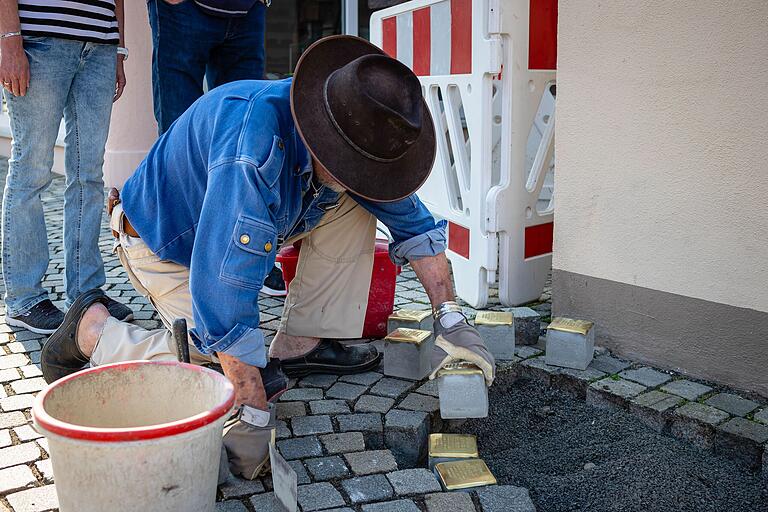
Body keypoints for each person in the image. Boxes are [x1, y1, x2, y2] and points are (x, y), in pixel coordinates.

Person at [42, 35, 495, 480]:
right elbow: (220, 296)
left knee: (358, 202)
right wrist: (252, 411)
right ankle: (94, 332)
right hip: (166, 246)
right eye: (359, 169)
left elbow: (415, 225)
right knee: (211, 358)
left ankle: (300, 343)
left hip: (233, 225)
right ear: (327, 143)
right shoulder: (252, 156)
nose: (367, 176)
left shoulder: (351, 122)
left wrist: (451, 320)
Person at [0, 0, 133, 334]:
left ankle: (85, 292)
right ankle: (24, 298)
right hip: (41, 41)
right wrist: (9, 39)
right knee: (31, 169)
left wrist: (119, 47)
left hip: (101, 45)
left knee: (89, 174)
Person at [147, 0, 286, 296]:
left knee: (249, 133)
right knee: (179, 134)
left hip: (246, 10)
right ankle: (181, 259)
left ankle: (248, 254)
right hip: (182, 9)